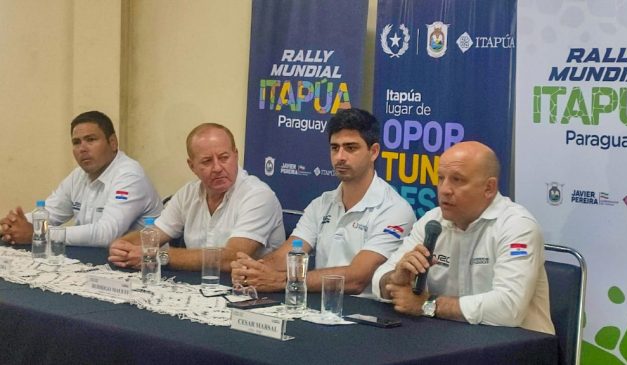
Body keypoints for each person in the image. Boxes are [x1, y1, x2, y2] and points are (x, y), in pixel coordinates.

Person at [372, 141, 555, 334]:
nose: (444, 189)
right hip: (448, 339)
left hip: (519, 347)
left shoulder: (517, 225)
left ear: (489, 188)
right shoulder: (433, 221)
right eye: (441, 178)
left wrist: (429, 305)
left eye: (457, 180)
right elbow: (378, 279)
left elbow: (508, 308)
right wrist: (395, 278)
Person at [231, 108, 416, 297]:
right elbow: (288, 254)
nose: (340, 157)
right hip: (319, 307)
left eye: (351, 148)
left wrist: (281, 281)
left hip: (368, 316)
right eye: (335, 148)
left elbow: (357, 279)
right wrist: (254, 270)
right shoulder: (321, 204)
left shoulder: (394, 209)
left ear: (374, 152)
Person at [108, 123, 285, 271]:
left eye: (224, 158)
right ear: (192, 166)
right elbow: (155, 234)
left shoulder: (258, 195)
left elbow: (232, 257)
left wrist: (160, 255)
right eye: (207, 161)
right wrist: (122, 246)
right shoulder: (188, 193)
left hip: (249, 292)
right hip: (199, 287)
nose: (217, 168)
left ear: (236, 155)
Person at [0, 111, 162, 247]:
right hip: (97, 260)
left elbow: (106, 234)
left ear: (112, 143)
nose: (82, 149)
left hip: (147, 265)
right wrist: (12, 226)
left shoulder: (129, 175)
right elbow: (50, 212)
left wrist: (39, 234)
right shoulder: (78, 175)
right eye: (76, 142)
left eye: (91, 140)